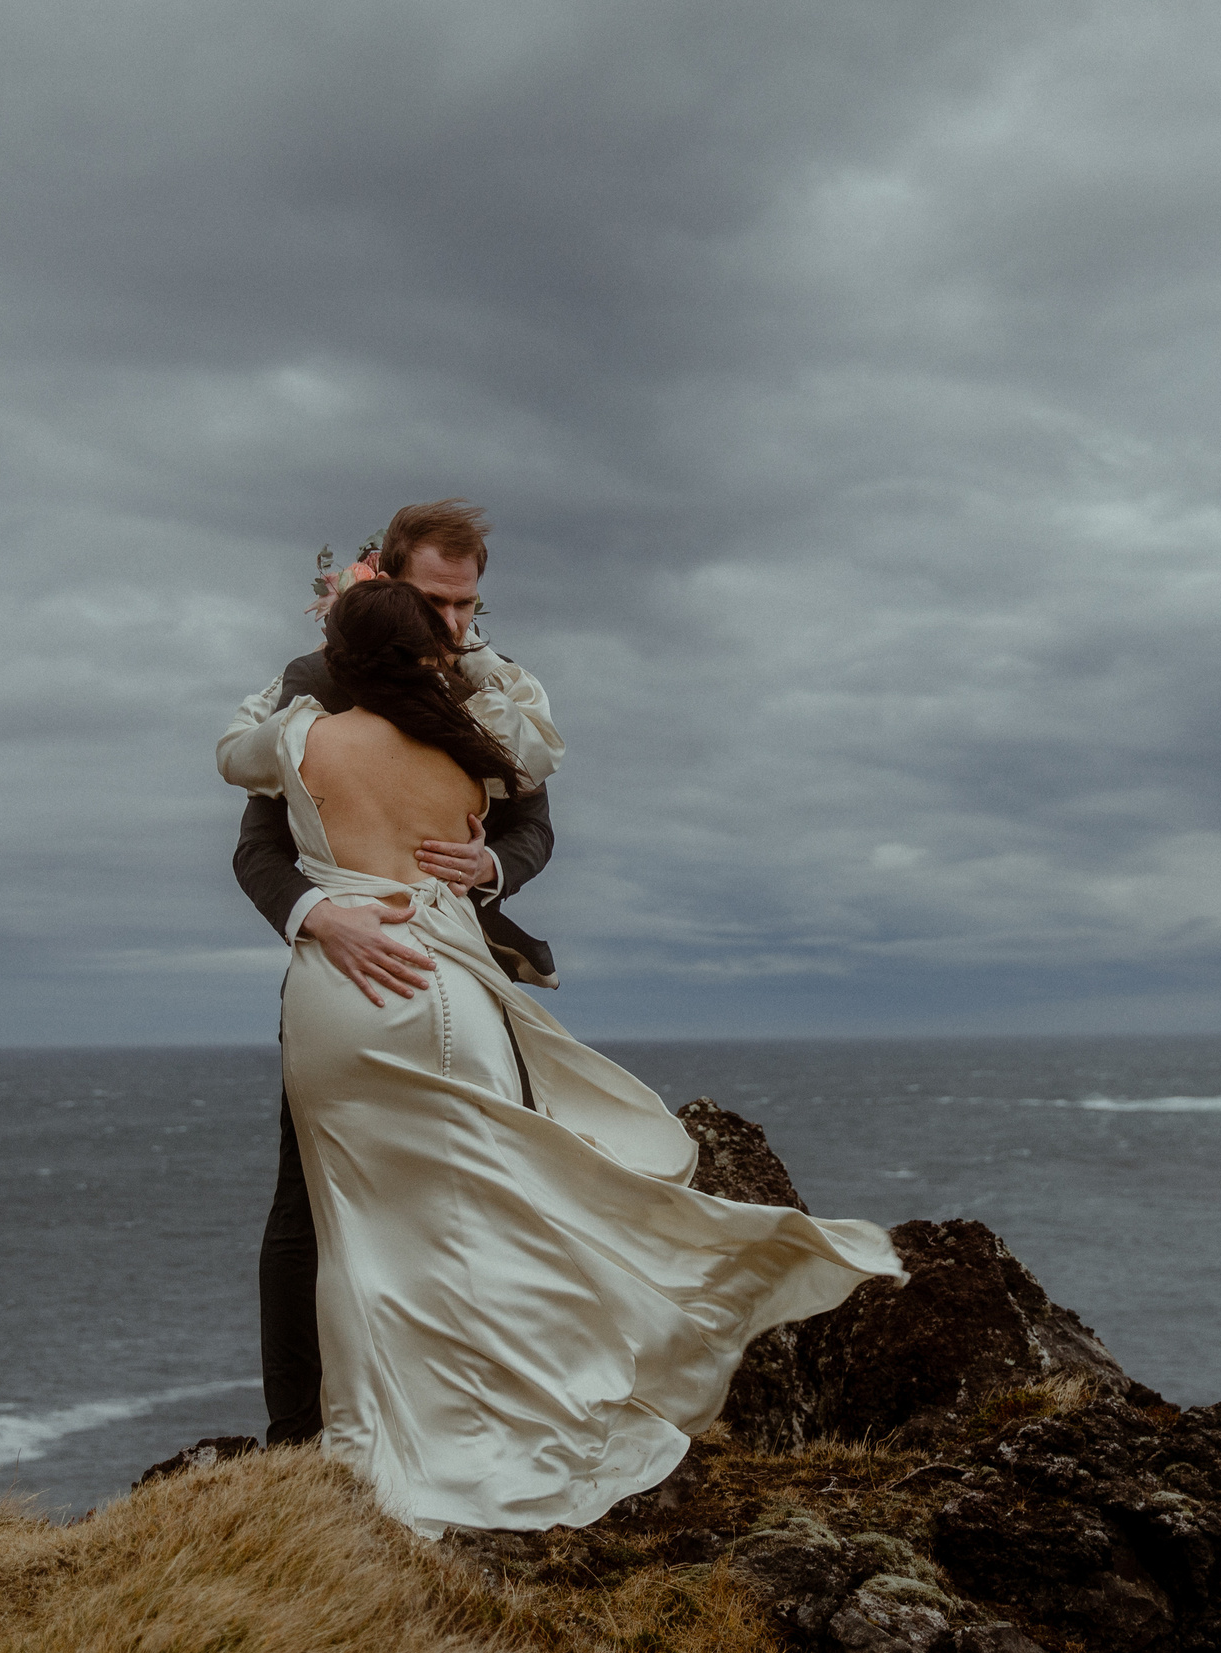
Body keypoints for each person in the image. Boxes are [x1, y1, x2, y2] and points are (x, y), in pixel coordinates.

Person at [215, 568, 900, 1535]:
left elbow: (232, 750)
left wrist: (324, 640)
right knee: (489, 1212)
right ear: (427, 650)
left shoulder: (301, 736)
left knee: (359, 1232)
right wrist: (464, 665)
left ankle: (366, 1443)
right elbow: (529, 752)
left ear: (339, 656)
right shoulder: (471, 759)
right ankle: (517, 1406)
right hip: (455, 990)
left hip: (352, 994)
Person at [226, 501, 563, 1448]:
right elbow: (257, 850)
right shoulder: (316, 682)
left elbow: (533, 822)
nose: (452, 629)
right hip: (346, 964)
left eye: (467, 607)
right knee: (307, 1207)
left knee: (500, 1176)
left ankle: (487, 1409)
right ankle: (296, 1436)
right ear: (383, 581)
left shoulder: (494, 689)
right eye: (433, 602)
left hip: (466, 964)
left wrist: (491, 867)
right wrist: (317, 913)